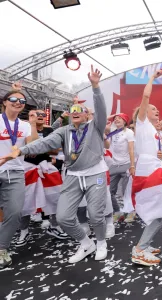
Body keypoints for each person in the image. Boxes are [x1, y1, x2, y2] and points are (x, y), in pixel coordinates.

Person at [0, 66, 109, 264]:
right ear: (68, 115)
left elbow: (101, 110)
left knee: (95, 214)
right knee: (63, 217)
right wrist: (21, 150)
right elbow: (43, 143)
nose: (75, 112)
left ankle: (101, 242)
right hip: (73, 175)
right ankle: (86, 243)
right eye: (72, 110)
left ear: (87, 116)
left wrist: (95, 87)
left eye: (80, 110)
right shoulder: (63, 131)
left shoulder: (96, 127)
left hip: (96, 174)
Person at [131, 70, 162, 266]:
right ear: (142, 112)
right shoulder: (142, 123)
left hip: (154, 169)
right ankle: (140, 249)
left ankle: (144, 245)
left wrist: (159, 155)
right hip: (149, 172)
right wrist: (153, 78)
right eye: (152, 108)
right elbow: (146, 96)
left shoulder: (152, 130)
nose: (156, 110)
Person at [0, 82, 39, 268]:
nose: (18, 102)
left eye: (22, 101)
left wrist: (32, 124)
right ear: (4, 102)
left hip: (15, 173)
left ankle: (2, 248)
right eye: (13, 99)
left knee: (14, 213)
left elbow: (33, 147)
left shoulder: (23, 126)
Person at [16, 109, 67, 247]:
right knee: (25, 202)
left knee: (56, 198)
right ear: (29, 116)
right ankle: (23, 231)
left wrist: (40, 148)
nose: (40, 116)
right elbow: (25, 147)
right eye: (35, 114)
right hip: (27, 168)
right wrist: (41, 145)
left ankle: (55, 226)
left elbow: (55, 150)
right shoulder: (22, 127)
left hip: (47, 168)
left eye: (43, 114)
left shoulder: (50, 130)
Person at [104, 113, 135, 222]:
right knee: (108, 191)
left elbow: (131, 149)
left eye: (119, 118)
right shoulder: (111, 132)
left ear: (125, 121)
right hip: (114, 165)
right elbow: (98, 121)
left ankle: (130, 212)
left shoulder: (129, 132)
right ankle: (117, 212)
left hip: (126, 164)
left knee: (127, 191)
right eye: (115, 119)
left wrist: (132, 165)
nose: (116, 120)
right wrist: (111, 116)